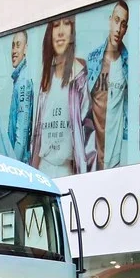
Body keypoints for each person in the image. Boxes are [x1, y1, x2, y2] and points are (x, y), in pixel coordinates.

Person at [31, 15, 95, 177]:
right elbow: (37, 135)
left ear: (72, 31)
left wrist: (87, 178)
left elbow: (88, 134)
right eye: (55, 25)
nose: (60, 32)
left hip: (67, 172)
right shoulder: (45, 78)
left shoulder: (79, 78)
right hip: (42, 169)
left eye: (66, 24)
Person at [86, 1, 130, 170]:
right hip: (91, 157)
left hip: (116, 157)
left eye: (123, 24)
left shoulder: (129, 64)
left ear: (126, 29)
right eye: (116, 20)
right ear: (110, 20)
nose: (118, 29)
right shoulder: (93, 60)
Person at [8, 31, 34, 162]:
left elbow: (21, 136)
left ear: (25, 49)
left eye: (18, 45)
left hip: (20, 163)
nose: (14, 50)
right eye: (13, 46)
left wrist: (13, 166)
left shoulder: (23, 81)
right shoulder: (19, 79)